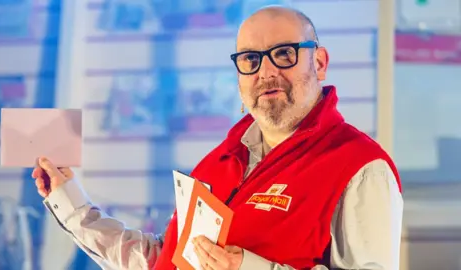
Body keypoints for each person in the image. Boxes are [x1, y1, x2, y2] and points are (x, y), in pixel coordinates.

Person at [32, 6, 404, 270]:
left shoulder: (360, 167)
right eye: (250, 60)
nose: (266, 72)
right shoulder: (218, 163)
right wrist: (71, 203)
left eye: (285, 54)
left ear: (319, 63)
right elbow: (164, 261)